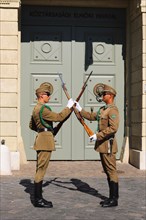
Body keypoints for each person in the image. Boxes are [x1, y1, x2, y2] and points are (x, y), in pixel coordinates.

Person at [29, 82, 74, 208]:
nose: (49, 97)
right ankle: (38, 200)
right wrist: (69, 107)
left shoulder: (35, 109)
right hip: (45, 142)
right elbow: (59, 117)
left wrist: (44, 129)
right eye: (48, 94)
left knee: (40, 168)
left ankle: (37, 198)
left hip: (41, 139)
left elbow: (31, 125)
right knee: (41, 170)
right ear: (42, 95)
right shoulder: (43, 109)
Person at [75, 83, 120, 207]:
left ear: (110, 96)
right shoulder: (102, 109)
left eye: (104, 93)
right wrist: (79, 109)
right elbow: (91, 116)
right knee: (107, 171)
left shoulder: (113, 110)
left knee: (111, 171)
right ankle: (111, 197)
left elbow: (113, 128)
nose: (102, 95)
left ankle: (114, 198)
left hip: (108, 145)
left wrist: (97, 136)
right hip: (102, 145)